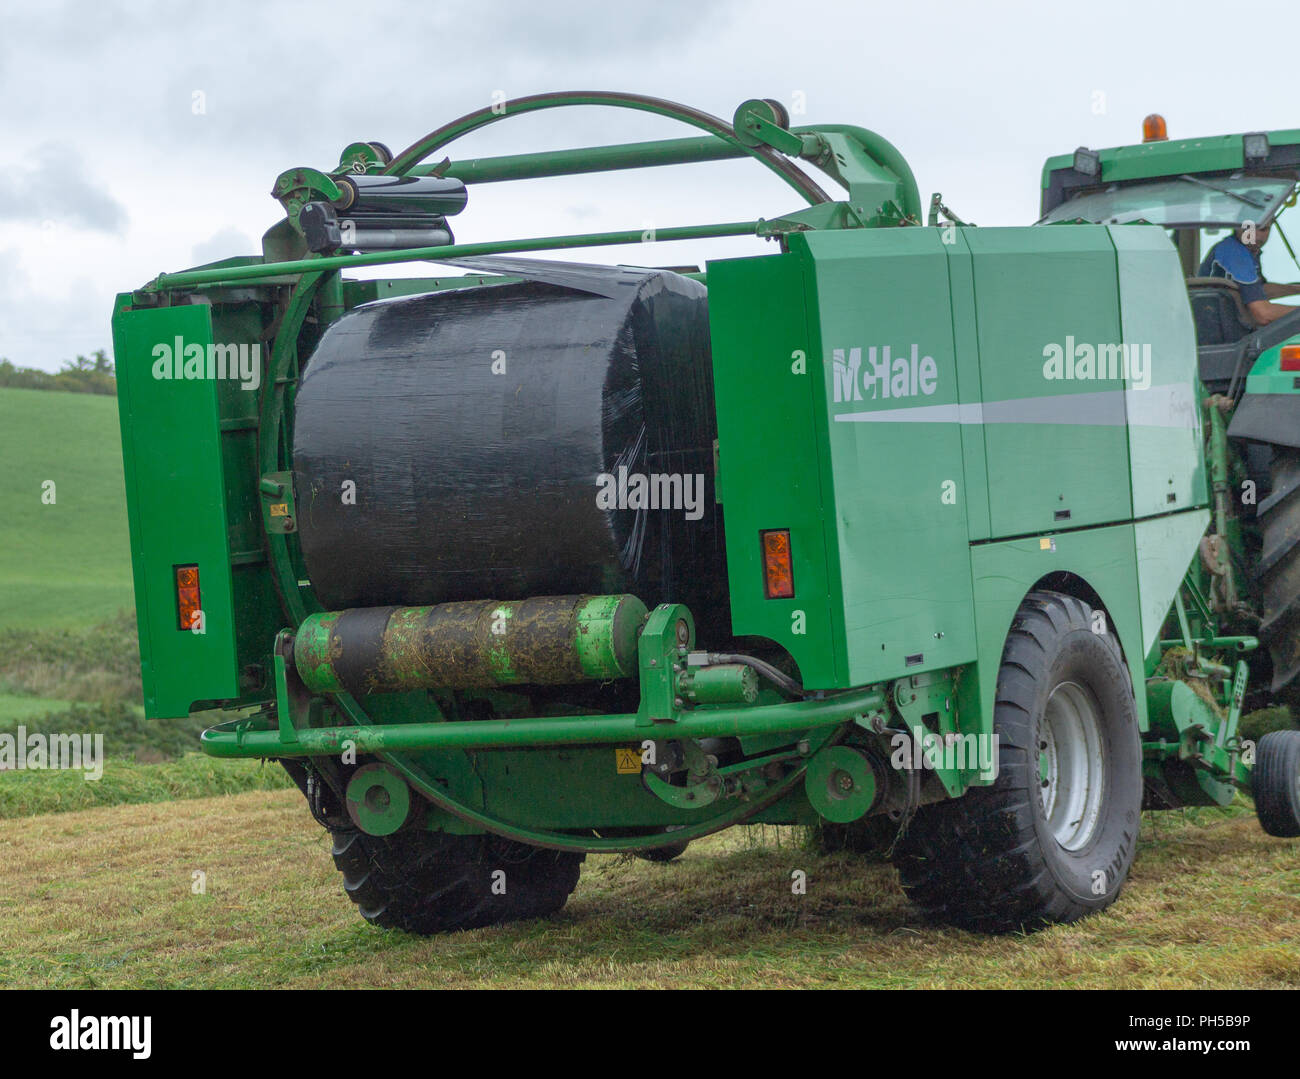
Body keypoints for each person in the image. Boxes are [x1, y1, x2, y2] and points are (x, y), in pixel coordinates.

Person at [1200, 222, 1300, 325]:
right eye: (1249, 228)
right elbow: (1264, 315)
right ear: (1237, 227)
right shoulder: (1235, 254)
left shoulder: (1245, 250)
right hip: (1225, 333)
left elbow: (1257, 291)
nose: (1255, 235)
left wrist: (1297, 289)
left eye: (1263, 229)